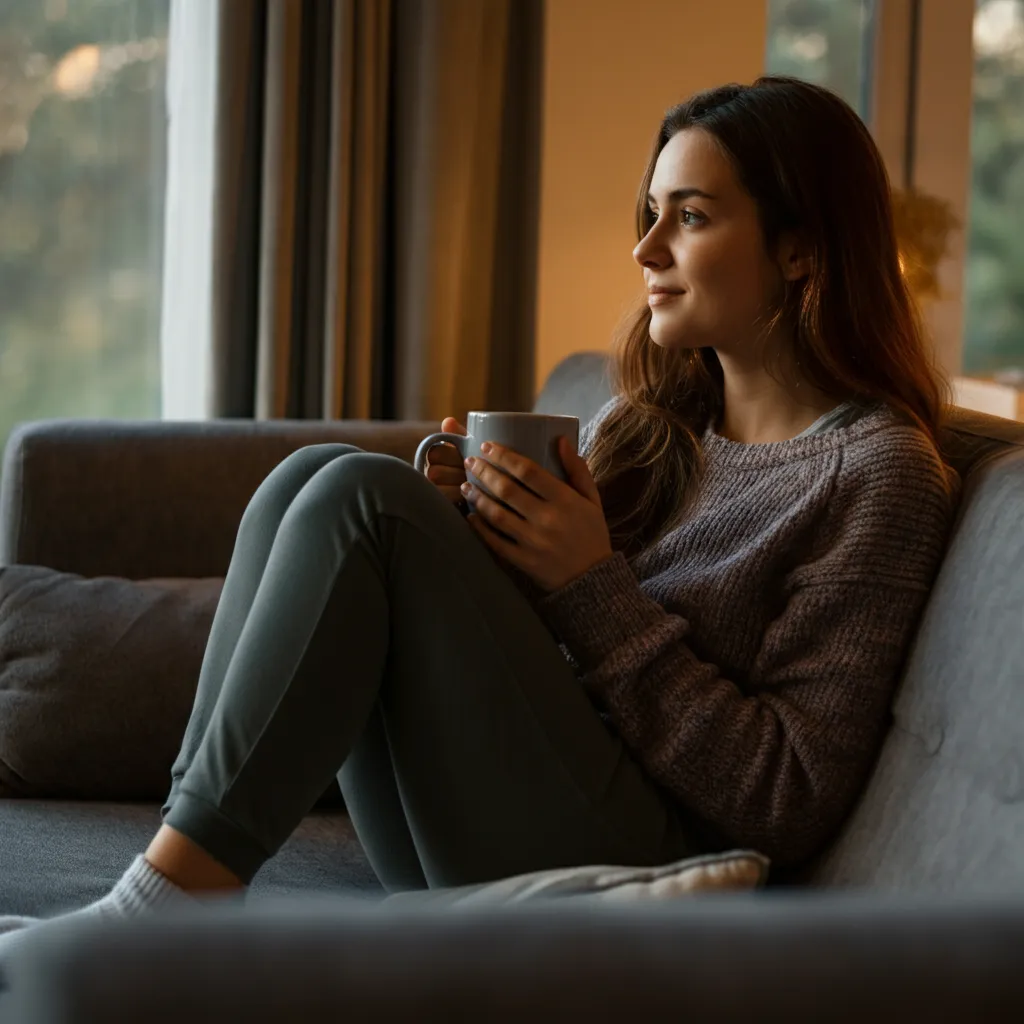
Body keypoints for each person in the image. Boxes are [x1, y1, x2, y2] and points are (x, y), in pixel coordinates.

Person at [0, 75, 959, 947]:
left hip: (630, 866)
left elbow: (785, 797)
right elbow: (544, 655)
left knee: (360, 499)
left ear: (800, 248)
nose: (645, 248)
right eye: (650, 212)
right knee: (313, 477)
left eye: (692, 216)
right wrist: (482, 546)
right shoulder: (655, 421)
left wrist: (588, 584)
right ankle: (182, 863)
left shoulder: (879, 473)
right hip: (492, 823)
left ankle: (158, 924)